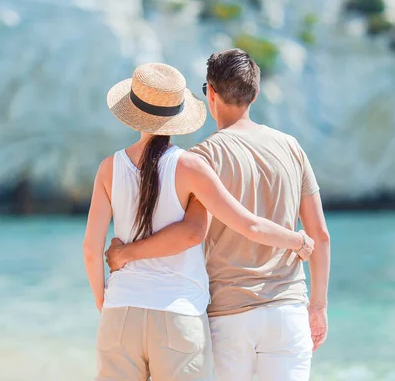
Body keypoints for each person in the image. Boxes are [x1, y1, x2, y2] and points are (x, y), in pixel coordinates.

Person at [105, 49, 331, 381]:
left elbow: (189, 232)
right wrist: (318, 307)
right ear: (254, 93)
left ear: (210, 93)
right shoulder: (291, 147)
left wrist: (125, 253)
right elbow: (320, 236)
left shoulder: (203, 158)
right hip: (288, 310)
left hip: (228, 315)